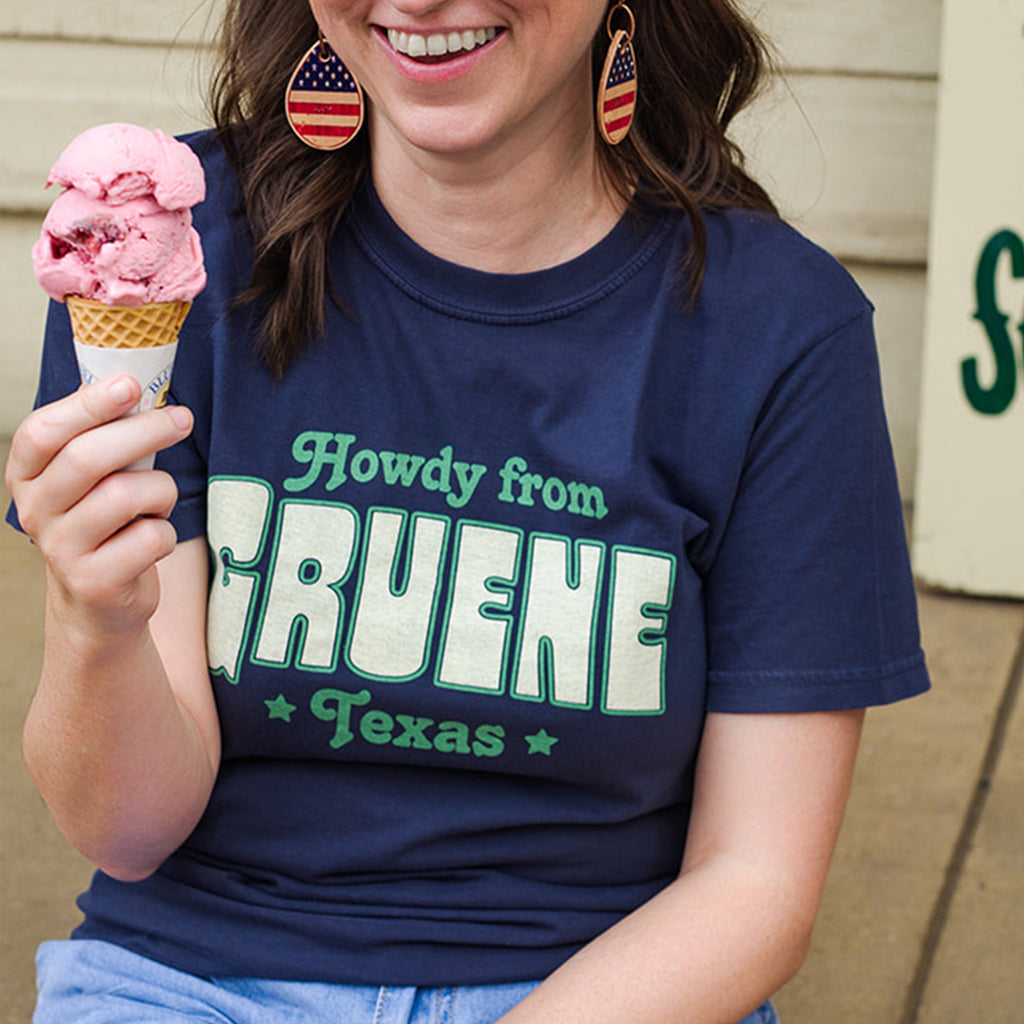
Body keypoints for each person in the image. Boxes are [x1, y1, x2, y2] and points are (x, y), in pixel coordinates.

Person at [6, 1, 930, 1021]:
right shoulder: (163, 258)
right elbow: (124, 830)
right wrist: (95, 622)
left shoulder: (778, 333)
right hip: (196, 978)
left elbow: (753, 886)